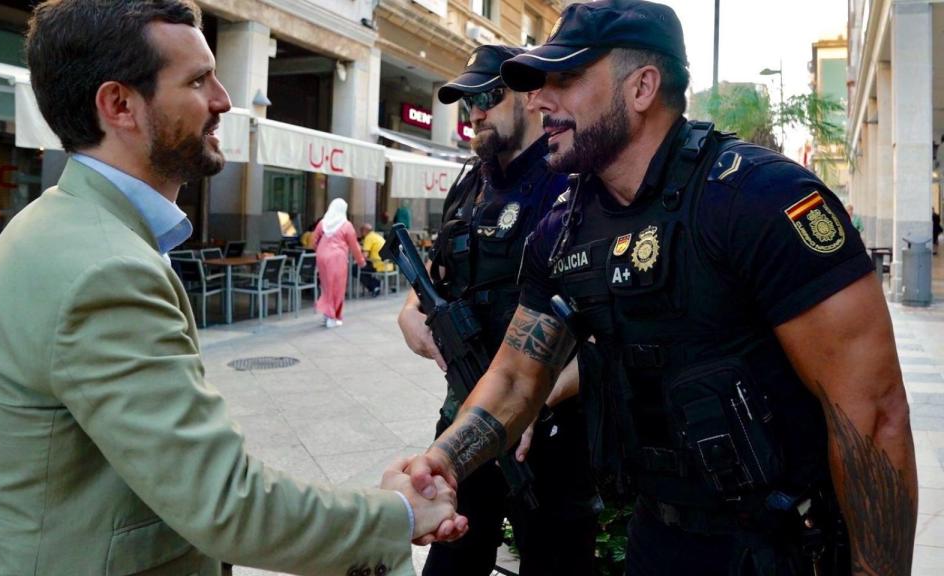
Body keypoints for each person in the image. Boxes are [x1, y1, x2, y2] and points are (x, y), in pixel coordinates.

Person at [406, 2, 917, 575]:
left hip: (782, 548)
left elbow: (872, 416)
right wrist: (443, 461)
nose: (539, 99)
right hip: (659, 540)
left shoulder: (759, 200)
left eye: (566, 79)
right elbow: (518, 376)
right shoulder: (561, 227)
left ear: (642, 87)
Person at [0, 2, 465, 575]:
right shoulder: (106, 268)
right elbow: (226, 504)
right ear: (119, 105)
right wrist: (396, 514)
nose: (224, 99)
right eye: (198, 80)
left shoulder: (59, 225)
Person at [398, 44, 600, 576]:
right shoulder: (470, 187)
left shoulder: (570, 183)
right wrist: (414, 316)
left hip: (551, 437)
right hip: (466, 420)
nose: (476, 112)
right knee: (450, 563)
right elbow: (434, 282)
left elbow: (602, 326)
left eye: (488, 95)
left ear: (533, 98)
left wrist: (534, 399)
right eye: (467, 102)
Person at [313, 198, 366, 327]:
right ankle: (332, 317)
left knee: (326, 287)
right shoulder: (346, 225)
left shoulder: (323, 223)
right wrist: (361, 261)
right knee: (337, 287)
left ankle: (327, 314)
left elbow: (313, 240)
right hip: (337, 258)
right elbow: (354, 246)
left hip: (322, 257)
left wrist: (320, 250)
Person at [357, 222, 391, 296]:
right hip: (386, 263)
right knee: (363, 268)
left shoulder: (368, 238)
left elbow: (364, 256)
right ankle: (375, 284)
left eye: (361, 231)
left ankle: (375, 286)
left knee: (356, 269)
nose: (360, 233)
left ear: (365, 231)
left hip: (378, 264)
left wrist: (357, 256)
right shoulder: (376, 236)